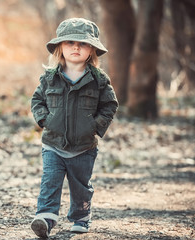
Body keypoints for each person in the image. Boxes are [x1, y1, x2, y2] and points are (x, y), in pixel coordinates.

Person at [30, 18, 118, 238]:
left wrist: (95, 127)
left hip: (84, 146)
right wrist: (45, 121)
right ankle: (46, 218)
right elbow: (37, 101)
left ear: (92, 50)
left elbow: (110, 104)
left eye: (83, 43)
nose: (76, 47)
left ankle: (80, 217)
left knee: (80, 185)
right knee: (50, 180)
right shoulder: (50, 78)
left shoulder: (98, 80)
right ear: (60, 47)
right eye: (70, 42)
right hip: (53, 144)